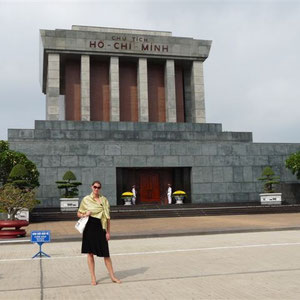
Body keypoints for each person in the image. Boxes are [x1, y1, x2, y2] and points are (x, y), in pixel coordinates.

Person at [77, 180, 121, 285]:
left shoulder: (104, 200)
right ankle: (93, 277)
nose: (96, 189)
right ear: (91, 187)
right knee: (90, 253)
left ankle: (112, 276)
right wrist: (84, 214)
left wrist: (108, 232)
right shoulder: (86, 199)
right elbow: (78, 213)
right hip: (89, 227)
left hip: (101, 227)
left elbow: (108, 217)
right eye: (95, 187)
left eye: (98, 187)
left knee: (106, 254)